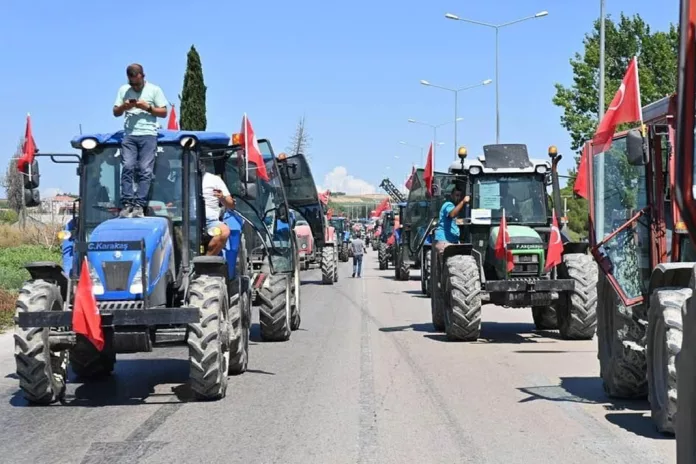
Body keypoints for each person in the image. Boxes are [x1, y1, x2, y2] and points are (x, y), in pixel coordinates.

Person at [113, 63, 169, 218]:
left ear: (143, 77)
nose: (135, 87)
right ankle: (127, 204)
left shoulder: (155, 90)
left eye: (137, 84)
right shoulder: (123, 90)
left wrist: (148, 108)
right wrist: (124, 106)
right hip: (129, 134)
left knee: (145, 170)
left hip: (148, 134)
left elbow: (164, 112)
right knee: (128, 167)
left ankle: (139, 205)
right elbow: (115, 112)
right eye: (132, 84)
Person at [201, 164, 237, 256]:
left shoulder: (214, 179)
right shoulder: (179, 178)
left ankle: (207, 261)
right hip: (182, 220)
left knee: (224, 231)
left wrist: (222, 197)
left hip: (209, 222)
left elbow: (231, 205)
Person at [434, 186, 470, 253]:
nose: (458, 198)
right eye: (456, 195)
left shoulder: (453, 206)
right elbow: (452, 214)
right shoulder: (448, 204)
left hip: (451, 240)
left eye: (460, 196)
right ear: (451, 195)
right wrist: (463, 201)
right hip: (445, 241)